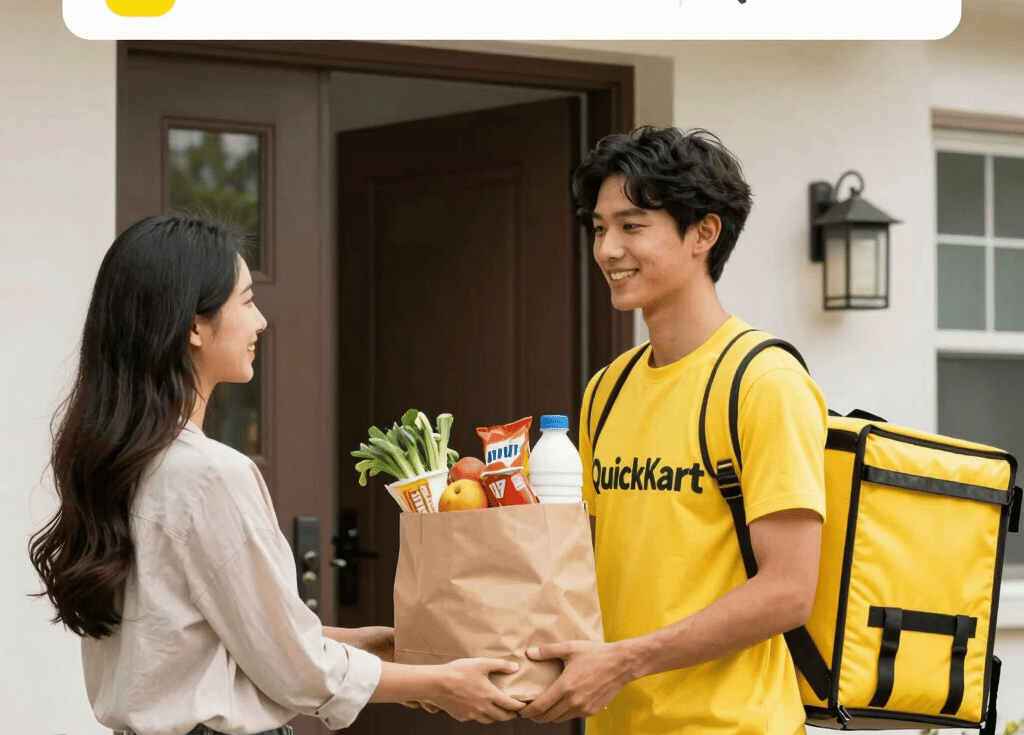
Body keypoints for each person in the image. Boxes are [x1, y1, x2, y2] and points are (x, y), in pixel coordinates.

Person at [29, 213, 524, 735]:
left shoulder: (117, 464)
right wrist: (444, 683)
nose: (260, 321)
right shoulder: (210, 476)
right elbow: (299, 672)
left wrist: (362, 643)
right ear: (194, 326)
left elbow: (206, 640)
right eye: (246, 301)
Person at [519, 127, 827, 734]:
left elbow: (789, 590)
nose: (608, 250)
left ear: (703, 233)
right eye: (599, 228)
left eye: (631, 226)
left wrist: (624, 662)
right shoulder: (607, 389)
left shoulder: (764, 382)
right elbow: (590, 567)